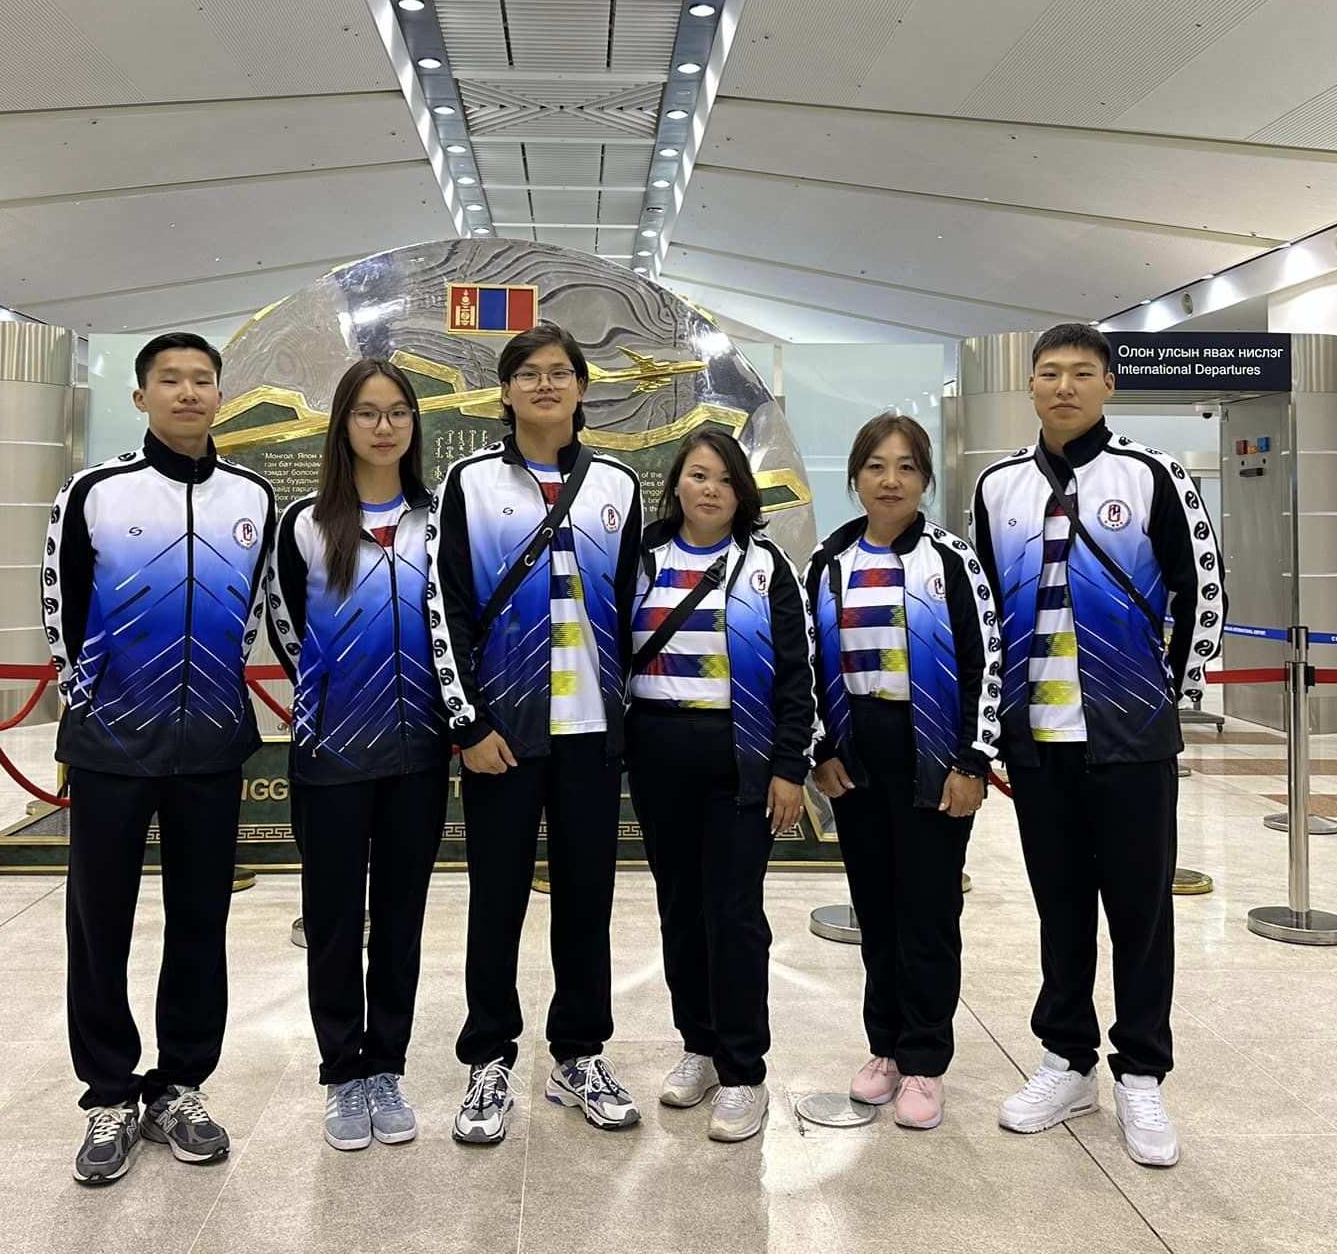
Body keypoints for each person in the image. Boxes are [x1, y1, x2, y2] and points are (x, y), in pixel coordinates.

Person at [971, 322, 1224, 1169]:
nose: (1065, 387)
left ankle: (1141, 1072)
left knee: (1141, 912)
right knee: (1061, 907)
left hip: (1130, 740)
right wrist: (994, 725)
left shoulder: (1151, 475)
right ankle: (1066, 1059)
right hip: (1038, 741)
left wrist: (1167, 703)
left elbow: (1201, 592)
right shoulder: (998, 486)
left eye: (1082, 373)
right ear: (1031, 386)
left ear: (1109, 385)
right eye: (1050, 373)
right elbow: (984, 613)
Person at [42, 332, 278, 1186]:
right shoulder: (95, 491)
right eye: (170, 380)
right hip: (111, 743)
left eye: (201, 380)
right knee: (98, 921)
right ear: (141, 397)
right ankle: (108, 1092)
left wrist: (217, 693)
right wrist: (92, 700)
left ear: (220, 395)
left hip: (211, 744)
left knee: (200, 921)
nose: (188, 392)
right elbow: (60, 604)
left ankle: (180, 1085)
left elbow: (257, 611)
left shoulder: (252, 496)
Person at [427, 322, 644, 1144]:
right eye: (528, 373)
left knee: (587, 900)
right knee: (497, 898)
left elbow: (631, 608)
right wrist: (469, 723)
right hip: (504, 733)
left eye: (559, 372)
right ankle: (488, 1056)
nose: (545, 385)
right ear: (505, 391)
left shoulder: (617, 484)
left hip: (590, 728)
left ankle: (579, 1052)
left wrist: (627, 721)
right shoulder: (470, 482)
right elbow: (445, 604)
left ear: (582, 388)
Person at [268, 360, 448, 1152]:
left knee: (402, 918)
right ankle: (343, 1070)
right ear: (343, 424)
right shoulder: (306, 523)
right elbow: (286, 629)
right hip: (331, 752)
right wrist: (334, 698)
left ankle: (386, 1066)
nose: (384, 426)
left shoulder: (438, 522)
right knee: (335, 918)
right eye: (368, 412)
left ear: (414, 424)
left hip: (419, 754)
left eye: (398, 411)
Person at [807, 414, 999, 1131]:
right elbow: (809, 666)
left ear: (925, 480)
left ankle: (924, 1059)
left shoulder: (951, 560)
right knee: (877, 908)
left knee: (928, 911)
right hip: (857, 760)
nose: (890, 481)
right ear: (855, 477)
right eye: (876, 466)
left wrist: (973, 760)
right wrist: (821, 753)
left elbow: (986, 663)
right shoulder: (828, 562)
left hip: (933, 756)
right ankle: (883, 1047)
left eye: (907, 467)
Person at [627, 427, 817, 1144]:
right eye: (699, 475)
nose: (710, 490)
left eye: (726, 480)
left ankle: (744, 1072)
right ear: (676, 482)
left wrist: (789, 768)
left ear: (743, 495)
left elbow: (796, 676)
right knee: (679, 907)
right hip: (658, 753)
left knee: (733, 913)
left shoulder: (766, 567)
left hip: (739, 757)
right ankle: (699, 1047)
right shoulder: (640, 559)